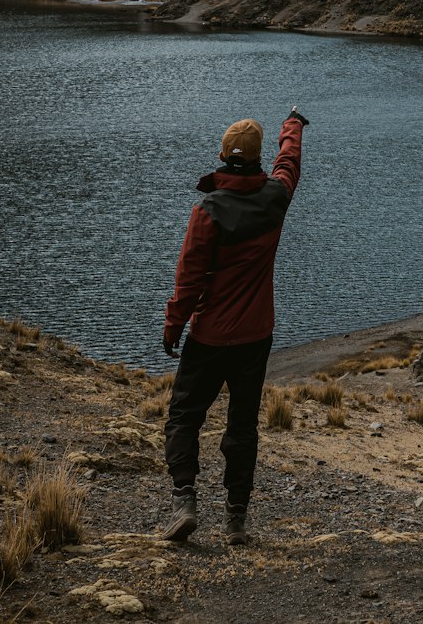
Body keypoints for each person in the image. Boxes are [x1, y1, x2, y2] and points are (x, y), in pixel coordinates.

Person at [161, 107, 308, 545]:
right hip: (255, 336)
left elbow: (188, 279)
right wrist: (293, 125)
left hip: (208, 336)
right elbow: (289, 163)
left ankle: (185, 500)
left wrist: (173, 326)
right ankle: (236, 520)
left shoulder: (207, 211)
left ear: (223, 156)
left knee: (184, 418)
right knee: (242, 425)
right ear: (258, 157)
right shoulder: (276, 197)